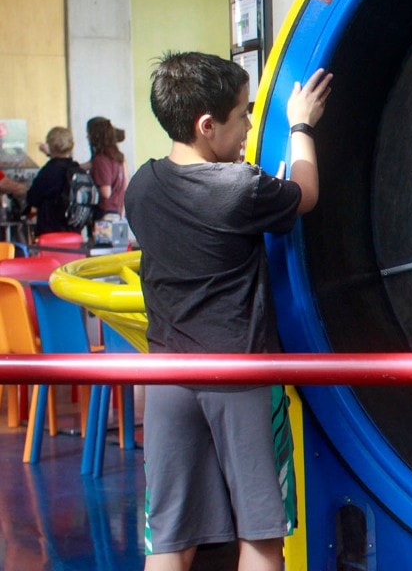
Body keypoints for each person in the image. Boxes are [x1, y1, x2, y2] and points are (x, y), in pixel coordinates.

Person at [125, 51, 332, 571]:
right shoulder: (239, 188)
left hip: (168, 380)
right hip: (240, 378)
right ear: (206, 125)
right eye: (243, 115)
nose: (247, 128)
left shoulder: (141, 187)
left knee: (170, 537)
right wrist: (301, 123)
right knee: (260, 533)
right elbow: (305, 194)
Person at [24, 126, 82, 237]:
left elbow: (32, 198)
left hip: (51, 232)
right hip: (74, 233)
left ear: (50, 145)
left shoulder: (48, 171)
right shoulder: (76, 169)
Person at [86, 116, 128, 220]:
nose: (87, 137)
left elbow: (106, 192)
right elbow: (126, 183)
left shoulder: (100, 160)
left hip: (104, 214)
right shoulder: (118, 158)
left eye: (88, 133)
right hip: (117, 211)